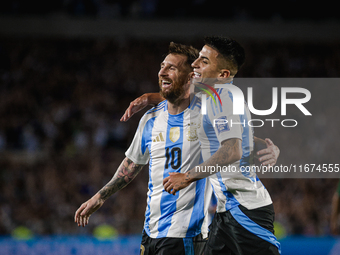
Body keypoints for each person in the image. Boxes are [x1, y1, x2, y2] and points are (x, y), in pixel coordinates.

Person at [75, 42, 212, 255]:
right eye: (162, 66)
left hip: (186, 234)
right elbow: (132, 164)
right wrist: (100, 196)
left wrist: (188, 176)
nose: (162, 72)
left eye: (172, 68)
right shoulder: (150, 118)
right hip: (151, 232)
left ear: (191, 76)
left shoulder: (207, 114)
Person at [163, 37, 281, 255]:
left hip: (245, 210)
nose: (195, 63)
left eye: (204, 61)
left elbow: (232, 150)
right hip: (227, 210)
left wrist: (186, 177)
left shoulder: (223, 96)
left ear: (223, 74)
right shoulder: (214, 95)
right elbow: (241, 139)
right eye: (197, 57)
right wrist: (267, 145)